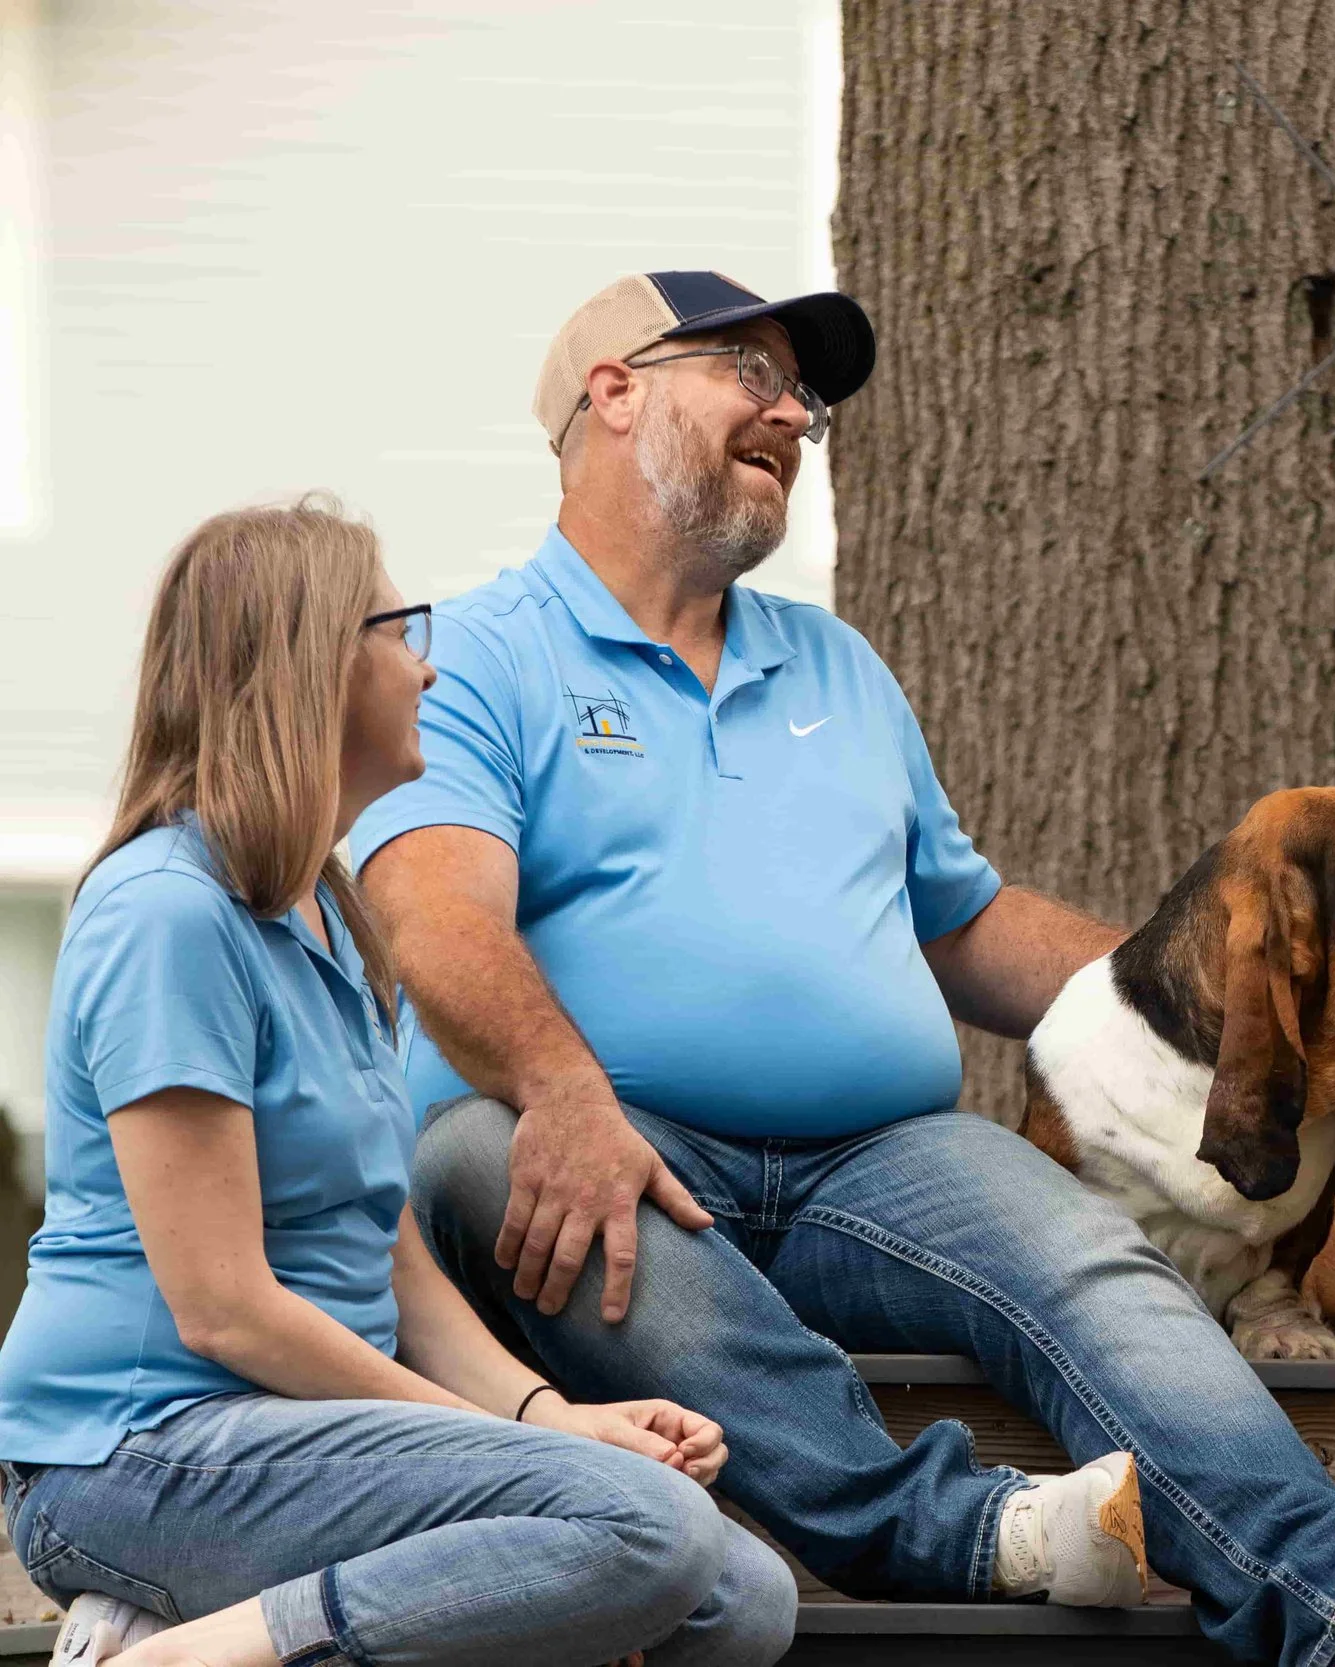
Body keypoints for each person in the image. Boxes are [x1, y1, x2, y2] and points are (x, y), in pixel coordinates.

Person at [350, 270, 1335, 1667]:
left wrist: (1304, 1043)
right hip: (595, 1149)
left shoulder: (839, 669)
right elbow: (436, 918)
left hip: (871, 1158)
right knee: (483, 1147)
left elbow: (973, 928)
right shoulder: (475, 654)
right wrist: (567, 1094)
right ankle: (951, 1527)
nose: (791, 415)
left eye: (801, 396)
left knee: (1089, 1254)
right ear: (612, 391)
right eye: (747, 373)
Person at [0, 499, 797, 1667]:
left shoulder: (331, 919)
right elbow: (222, 1306)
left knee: (743, 1597)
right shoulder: (167, 914)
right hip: (139, 1450)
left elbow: (389, 1255)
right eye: (399, 626)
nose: (427, 665)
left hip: (311, 1437)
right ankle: (180, 1658)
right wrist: (526, 1460)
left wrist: (549, 1420)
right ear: (314, 660)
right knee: (644, 1525)